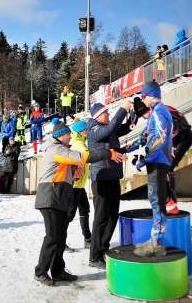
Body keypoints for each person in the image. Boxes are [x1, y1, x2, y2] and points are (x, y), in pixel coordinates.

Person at [34, 118, 125, 286]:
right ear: (61, 135)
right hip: (50, 197)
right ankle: (40, 271)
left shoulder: (60, 148)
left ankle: (58, 271)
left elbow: (64, 170)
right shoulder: (56, 148)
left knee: (60, 237)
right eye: (68, 134)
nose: (70, 137)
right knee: (53, 237)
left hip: (59, 196)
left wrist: (74, 171)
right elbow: (82, 156)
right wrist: (108, 153)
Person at [87, 100, 134, 269]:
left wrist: (133, 115)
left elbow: (125, 128)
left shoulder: (107, 129)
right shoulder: (93, 128)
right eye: (106, 113)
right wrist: (123, 109)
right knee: (101, 218)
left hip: (113, 176)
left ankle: (104, 249)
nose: (108, 115)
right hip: (101, 179)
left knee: (113, 215)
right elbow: (111, 128)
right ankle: (94, 256)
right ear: (98, 115)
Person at [132, 96, 192, 213]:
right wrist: (124, 149)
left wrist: (146, 159)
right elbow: (145, 137)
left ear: (147, 111)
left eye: (143, 116)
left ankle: (170, 204)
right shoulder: (155, 115)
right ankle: (168, 203)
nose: (144, 119)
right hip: (175, 139)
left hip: (183, 138)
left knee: (164, 168)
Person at [132, 81, 173, 257]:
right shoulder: (158, 111)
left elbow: (161, 139)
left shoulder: (159, 111)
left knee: (156, 200)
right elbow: (147, 137)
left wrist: (145, 158)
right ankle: (156, 240)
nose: (143, 100)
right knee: (155, 198)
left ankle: (157, 243)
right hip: (156, 161)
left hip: (158, 161)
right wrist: (129, 149)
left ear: (150, 95)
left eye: (143, 96)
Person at [68, 119, 92, 248]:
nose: (87, 132)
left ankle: (88, 238)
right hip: (75, 186)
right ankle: (60, 241)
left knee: (84, 210)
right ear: (79, 133)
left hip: (80, 185)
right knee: (69, 215)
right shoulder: (78, 146)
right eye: (85, 130)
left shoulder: (80, 144)